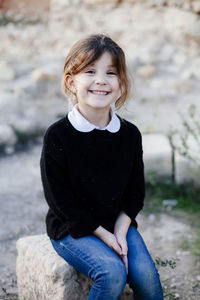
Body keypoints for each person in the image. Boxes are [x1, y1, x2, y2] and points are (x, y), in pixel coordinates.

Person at [40, 34, 163, 300]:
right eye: (90, 71)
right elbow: (60, 199)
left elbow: (134, 193)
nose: (101, 80)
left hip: (117, 223)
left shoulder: (130, 135)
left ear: (121, 83)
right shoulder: (58, 135)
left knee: (147, 278)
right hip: (73, 228)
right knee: (112, 273)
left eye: (111, 72)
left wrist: (120, 233)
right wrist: (106, 239)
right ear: (71, 82)